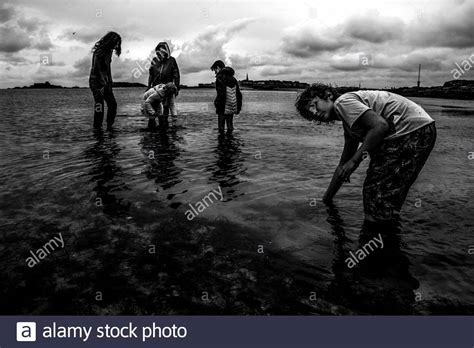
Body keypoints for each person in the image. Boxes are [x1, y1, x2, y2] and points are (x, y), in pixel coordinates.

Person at [295, 84, 436, 223]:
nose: (314, 113)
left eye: (314, 105)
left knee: (374, 193)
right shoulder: (350, 126)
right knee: (388, 195)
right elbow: (343, 166)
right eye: (310, 113)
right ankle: (388, 235)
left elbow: (381, 126)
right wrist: (326, 200)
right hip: (422, 130)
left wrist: (354, 162)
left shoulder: (342, 103)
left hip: (411, 131)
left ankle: (375, 237)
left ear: (328, 95)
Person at [89, 32, 121, 130]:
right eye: (116, 43)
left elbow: (108, 68)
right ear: (110, 41)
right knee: (99, 106)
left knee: (113, 105)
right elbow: (97, 69)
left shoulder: (109, 51)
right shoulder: (99, 51)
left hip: (105, 82)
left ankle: (109, 127)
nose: (118, 45)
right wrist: (103, 84)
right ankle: (97, 129)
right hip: (96, 82)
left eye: (119, 43)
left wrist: (110, 80)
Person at [148, 42, 180, 122]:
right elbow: (151, 75)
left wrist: (176, 88)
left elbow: (176, 75)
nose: (158, 54)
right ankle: (152, 128)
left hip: (167, 89)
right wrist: (148, 87)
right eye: (157, 53)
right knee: (153, 108)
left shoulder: (172, 60)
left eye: (160, 52)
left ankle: (164, 127)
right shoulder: (154, 60)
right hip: (155, 89)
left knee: (165, 107)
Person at [210, 60, 242, 133]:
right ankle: (230, 141)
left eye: (215, 70)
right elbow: (238, 94)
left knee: (221, 127)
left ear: (218, 67)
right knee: (230, 125)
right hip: (232, 105)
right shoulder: (233, 78)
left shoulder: (220, 78)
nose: (215, 72)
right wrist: (238, 107)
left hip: (223, 106)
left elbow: (220, 94)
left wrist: (216, 104)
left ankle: (222, 143)